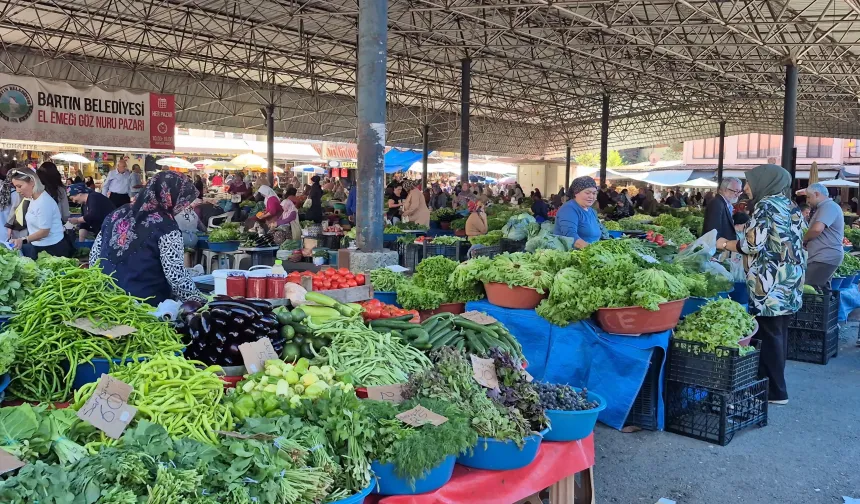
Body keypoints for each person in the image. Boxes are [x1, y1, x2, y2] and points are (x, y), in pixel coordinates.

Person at [716, 164, 806, 406]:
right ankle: (773, 385)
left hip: (770, 283)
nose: (746, 187)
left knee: (768, 334)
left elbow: (751, 245)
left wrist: (724, 243)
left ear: (765, 182)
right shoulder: (791, 206)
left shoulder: (766, 206)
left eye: (750, 182)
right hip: (790, 279)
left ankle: (776, 392)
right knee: (778, 333)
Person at [89, 171, 205, 305]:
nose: (183, 206)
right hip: (144, 305)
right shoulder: (166, 225)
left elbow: (94, 258)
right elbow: (176, 277)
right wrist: (201, 302)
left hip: (105, 299)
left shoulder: (115, 214)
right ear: (170, 196)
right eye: (182, 201)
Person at [8, 167, 71, 259]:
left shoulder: (44, 201)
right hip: (39, 246)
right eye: (15, 187)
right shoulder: (33, 199)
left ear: (32, 182)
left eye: (19, 186)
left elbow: (44, 232)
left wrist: (22, 240)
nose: (17, 191)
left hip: (52, 250)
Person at [803, 183, 843, 291]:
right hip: (823, 257)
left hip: (824, 257)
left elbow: (817, 229)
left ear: (816, 194)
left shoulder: (828, 206)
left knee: (808, 289)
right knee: (821, 292)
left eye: (808, 197)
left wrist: (803, 239)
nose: (808, 201)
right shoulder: (824, 207)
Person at [554, 176, 601, 249]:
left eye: (594, 193)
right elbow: (571, 237)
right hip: (575, 256)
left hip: (593, 253)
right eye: (587, 193)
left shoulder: (591, 211)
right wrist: (593, 251)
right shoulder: (568, 209)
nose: (591, 196)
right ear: (576, 193)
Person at [0, 163, 21, 237]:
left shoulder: (3, 188)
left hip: (2, 225)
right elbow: (16, 209)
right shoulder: (15, 192)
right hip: (10, 229)